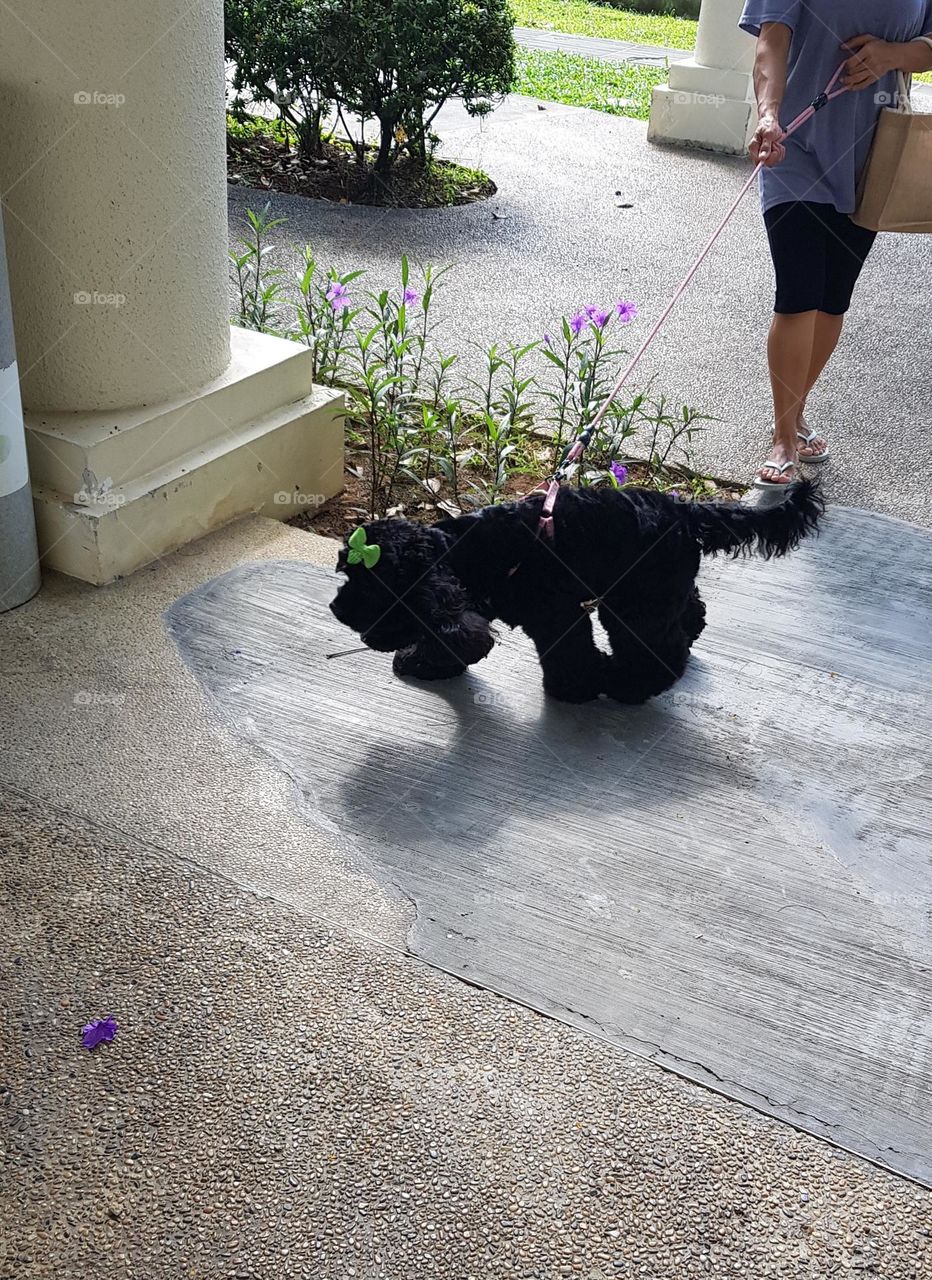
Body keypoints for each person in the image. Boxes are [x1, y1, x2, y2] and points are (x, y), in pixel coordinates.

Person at [738, 2, 932, 487]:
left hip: (875, 156)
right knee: (799, 289)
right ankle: (783, 438)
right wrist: (768, 116)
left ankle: (796, 412)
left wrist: (891, 56)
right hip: (794, 145)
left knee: (832, 297)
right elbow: (771, 40)